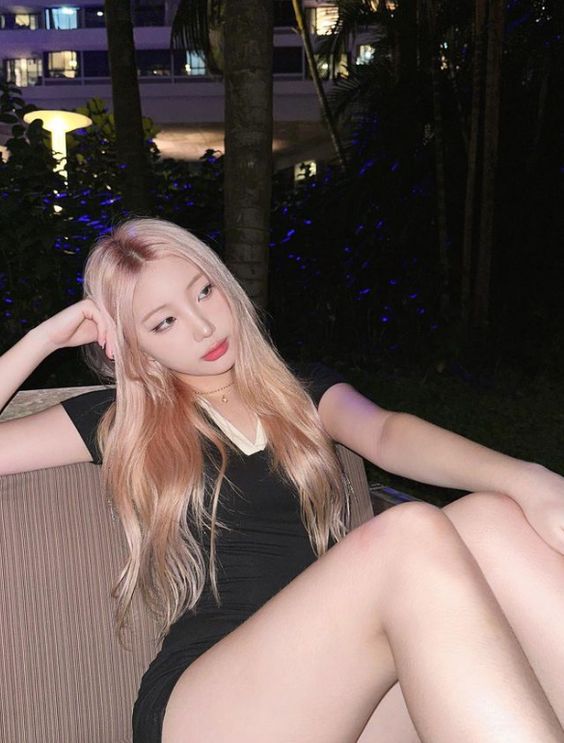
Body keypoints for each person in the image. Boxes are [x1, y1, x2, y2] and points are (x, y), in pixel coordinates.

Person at [1, 217, 563, 743]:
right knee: (409, 531)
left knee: (491, 517)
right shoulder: (121, 420)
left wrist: (527, 479)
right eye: (163, 322)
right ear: (133, 344)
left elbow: (386, 433)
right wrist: (43, 339)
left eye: (203, 292)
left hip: (334, 691)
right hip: (211, 706)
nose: (203, 326)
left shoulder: (302, 392)